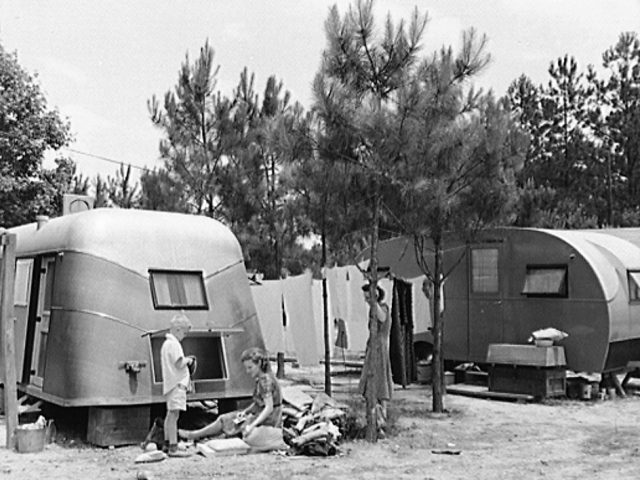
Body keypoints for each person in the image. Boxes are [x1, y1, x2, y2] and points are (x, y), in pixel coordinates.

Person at [178, 347, 282, 441]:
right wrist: (246, 411)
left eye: (250, 367)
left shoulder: (265, 381)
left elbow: (269, 408)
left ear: (259, 364)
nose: (247, 371)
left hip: (269, 419)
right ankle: (197, 434)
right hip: (262, 414)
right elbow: (259, 403)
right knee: (227, 419)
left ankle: (194, 435)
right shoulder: (263, 378)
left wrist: (253, 425)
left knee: (226, 421)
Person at [359, 283, 393, 433]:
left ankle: (381, 417)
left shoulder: (383, 308)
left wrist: (374, 302)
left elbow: (382, 317)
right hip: (373, 347)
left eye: (368, 297)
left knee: (380, 381)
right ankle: (374, 416)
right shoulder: (372, 309)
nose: (366, 300)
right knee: (370, 383)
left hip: (380, 348)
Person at [161, 313, 196, 457]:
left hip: (171, 385)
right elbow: (179, 363)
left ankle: (167, 443)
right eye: (184, 333)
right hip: (177, 385)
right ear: (177, 329)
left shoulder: (166, 344)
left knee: (170, 415)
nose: (185, 336)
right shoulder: (174, 344)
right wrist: (189, 360)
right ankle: (173, 448)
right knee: (174, 415)